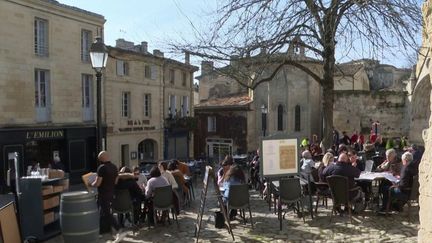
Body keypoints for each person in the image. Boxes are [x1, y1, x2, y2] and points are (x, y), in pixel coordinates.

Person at [90, 151, 125, 242]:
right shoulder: (114, 167)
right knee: (102, 212)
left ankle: (119, 229)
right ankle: (102, 231)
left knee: (106, 213)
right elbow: (116, 181)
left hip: (103, 194)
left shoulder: (101, 168)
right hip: (111, 193)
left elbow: (98, 183)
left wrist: (90, 183)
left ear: (101, 159)